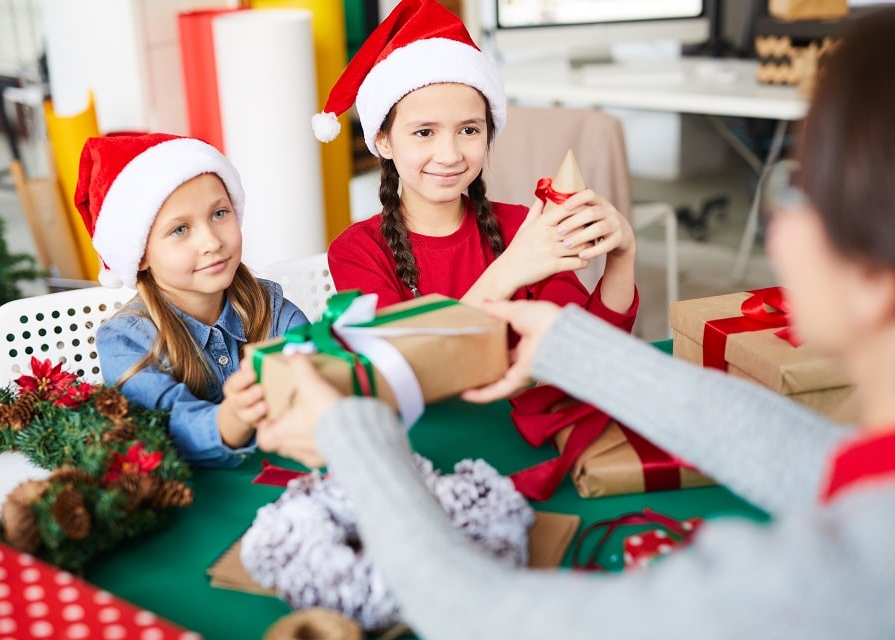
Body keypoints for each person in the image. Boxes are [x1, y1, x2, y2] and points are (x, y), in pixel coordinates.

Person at [256, 7, 895, 638]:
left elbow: (480, 612)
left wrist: (350, 434)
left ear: (873, 281)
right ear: (384, 141)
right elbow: (811, 458)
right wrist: (552, 309)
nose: (776, 232)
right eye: (424, 132)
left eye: (799, 191)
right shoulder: (868, 506)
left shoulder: (830, 579)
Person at [315, 0, 637, 331]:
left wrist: (622, 256)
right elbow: (404, 366)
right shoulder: (356, 252)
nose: (449, 154)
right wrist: (509, 271)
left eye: (469, 130)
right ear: (383, 140)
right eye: (424, 132)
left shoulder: (522, 228)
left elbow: (589, 350)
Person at [75, 133, 308, 468]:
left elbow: (319, 376)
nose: (211, 241)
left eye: (219, 213)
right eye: (180, 230)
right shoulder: (126, 341)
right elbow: (164, 429)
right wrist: (233, 418)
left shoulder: (270, 307)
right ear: (140, 255)